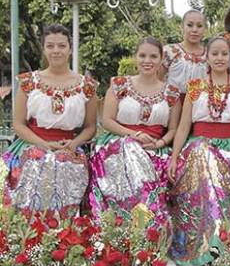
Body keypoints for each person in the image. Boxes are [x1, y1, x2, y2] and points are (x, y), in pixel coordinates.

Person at [167, 37, 230, 266]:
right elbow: (184, 126)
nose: (219, 58)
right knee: (202, 151)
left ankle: (226, 243)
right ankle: (204, 246)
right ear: (207, 57)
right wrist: (175, 156)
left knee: (206, 155)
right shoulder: (195, 87)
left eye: (224, 54)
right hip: (198, 148)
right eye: (215, 54)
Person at [2, 24, 98, 219]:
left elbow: (90, 127)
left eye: (61, 46)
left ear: (70, 49)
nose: (56, 51)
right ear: (44, 49)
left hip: (69, 150)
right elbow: (19, 124)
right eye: (50, 46)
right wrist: (44, 144)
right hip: (32, 149)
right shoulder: (29, 82)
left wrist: (74, 143)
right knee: (27, 212)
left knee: (66, 213)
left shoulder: (87, 86)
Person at [89, 37, 181, 231]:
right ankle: (128, 229)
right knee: (130, 149)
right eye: (142, 55)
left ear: (161, 59)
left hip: (155, 148)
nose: (147, 61)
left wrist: (159, 143)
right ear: (135, 57)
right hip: (120, 144)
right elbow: (107, 120)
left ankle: (151, 231)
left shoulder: (172, 92)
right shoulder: (119, 85)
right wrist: (134, 135)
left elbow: (173, 129)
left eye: (153, 56)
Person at [161, 9, 208, 98]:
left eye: (199, 26)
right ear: (182, 27)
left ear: (205, 29)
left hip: (199, 105)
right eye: (190, 25)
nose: (194, 30)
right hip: (172, 104)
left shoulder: (210, 55)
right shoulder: (169, 51)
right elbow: (158, 80)